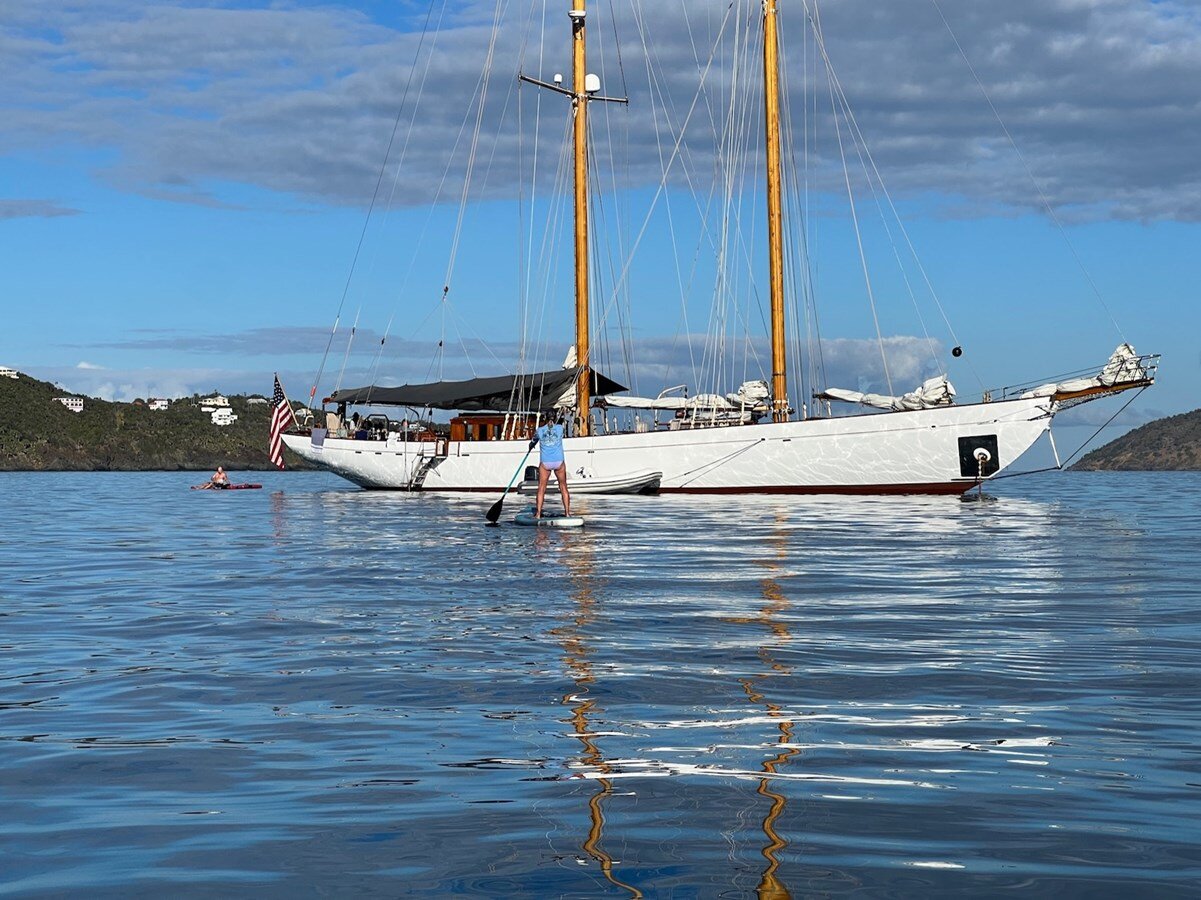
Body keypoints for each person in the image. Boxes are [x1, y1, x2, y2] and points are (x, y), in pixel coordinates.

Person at [529, 412, 570, 518]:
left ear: (545, 418)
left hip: (545, 463)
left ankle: (538, 514)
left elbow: (533, 440)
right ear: (555, 417)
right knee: (563, 487)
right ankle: (567, 513)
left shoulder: (540, 430)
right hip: (559, 462)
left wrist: (531, 445)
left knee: (541, 488)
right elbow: (556, 430)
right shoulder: (560, 428)